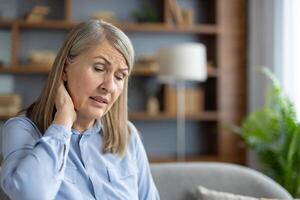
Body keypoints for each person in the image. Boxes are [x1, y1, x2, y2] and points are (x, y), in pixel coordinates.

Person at [0, 19, 160, 200]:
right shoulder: (23, 129)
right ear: (65, 69)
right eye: (99, 68)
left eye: (119, 76)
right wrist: (63, 122)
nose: (109, 86)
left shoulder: (127, 135)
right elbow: (30, 195)